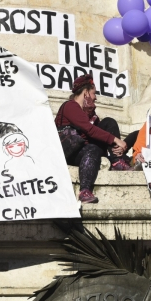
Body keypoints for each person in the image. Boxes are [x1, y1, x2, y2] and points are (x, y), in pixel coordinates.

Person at [55, 74, 130, 204]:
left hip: (86, 149)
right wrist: (116, 140)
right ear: (86, 93)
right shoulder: (70, 106)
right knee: (92, 149)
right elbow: (89, 130)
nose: (95, 98)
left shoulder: (89, 113)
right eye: (94, 93)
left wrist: (92, 116)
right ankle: (85, 191)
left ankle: (117, 160)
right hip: (69, 151)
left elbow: (99, 133)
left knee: (109, 122)